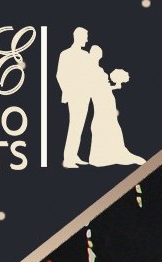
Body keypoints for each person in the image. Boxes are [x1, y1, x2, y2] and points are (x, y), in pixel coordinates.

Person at [84, 45, 144, 167]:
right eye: (97, 53)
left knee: (111, 124)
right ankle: (101, 156)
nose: (99, 55)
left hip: (107, 99)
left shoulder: (99, 69)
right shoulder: (89, 70)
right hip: (100, 100)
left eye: (99, 53)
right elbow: (93, 88)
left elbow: (104, 87)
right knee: (102, 123)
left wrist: (116, 85)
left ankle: (114, 152)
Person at [55, 27, 93, 168]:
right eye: (85, 37)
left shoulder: (86, 55)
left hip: (85, 95)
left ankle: (74, 155)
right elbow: (60, 75)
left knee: (79, 126)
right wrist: (68, 92)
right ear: (78, 36)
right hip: (74, 95)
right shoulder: (66, 54)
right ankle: (68, 159)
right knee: (74, 126)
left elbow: (90, 74)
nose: (87, 40)